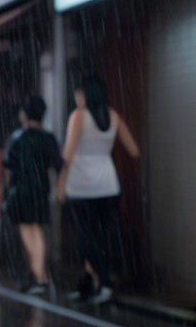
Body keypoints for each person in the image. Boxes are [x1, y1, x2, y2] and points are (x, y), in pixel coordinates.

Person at [56, 75, 140, 304]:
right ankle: (89, 285)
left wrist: (60, 184)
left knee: (85, 238)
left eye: (78, 93)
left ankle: (104, 283)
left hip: (81, 187)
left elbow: (68, 155)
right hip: (109, 186)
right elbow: (134, 150)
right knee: (99, 237)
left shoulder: (78, 116)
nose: (76, 97)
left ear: (83, 95)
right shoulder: (113, 116)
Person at [2, 95, 63, 295]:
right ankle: (41, 276)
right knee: (37, 229)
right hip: (41, 189)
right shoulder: (48, 138)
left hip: (21, 189)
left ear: (25, 114)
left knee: (27, 231)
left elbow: (8, 165)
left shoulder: (18, 137)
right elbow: (58, 163)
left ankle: (37, 276)